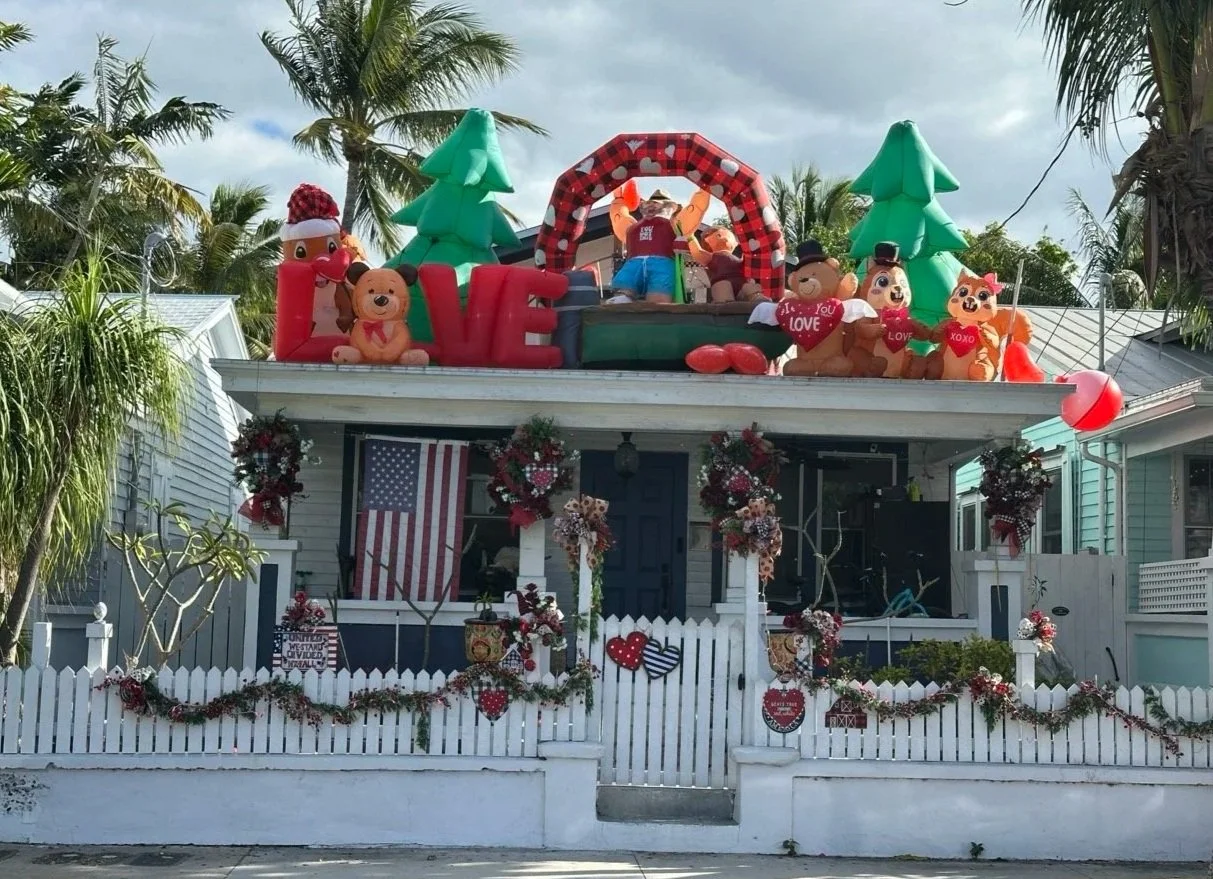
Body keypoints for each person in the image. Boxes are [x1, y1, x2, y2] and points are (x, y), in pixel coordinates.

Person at [607, 187, 710, 304]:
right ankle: (624, 296)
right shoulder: (632, 228)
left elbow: (694, 210)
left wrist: (704, 190)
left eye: (656, 203)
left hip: (662, 264)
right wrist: (618, 199)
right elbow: (619, 218)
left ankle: (658, 306)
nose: (651, 206)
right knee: (626, 281)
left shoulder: (675, 225)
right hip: (634, 263)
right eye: (649, 204)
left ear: (669, 207)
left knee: (659, 292)